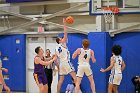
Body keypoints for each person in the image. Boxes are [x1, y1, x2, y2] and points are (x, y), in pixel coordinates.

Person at [55, 18, 76, 93]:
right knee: (75, 77)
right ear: (59, 40)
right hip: (66, 62)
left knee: (60, 80)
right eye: (61, 38)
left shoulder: (56, 48)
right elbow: (65, 33)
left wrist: (58, 67)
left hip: (61, 64)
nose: (62, 38)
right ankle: (78, 91)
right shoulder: (63, 43)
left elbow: (55, 59)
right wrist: (64, 24)